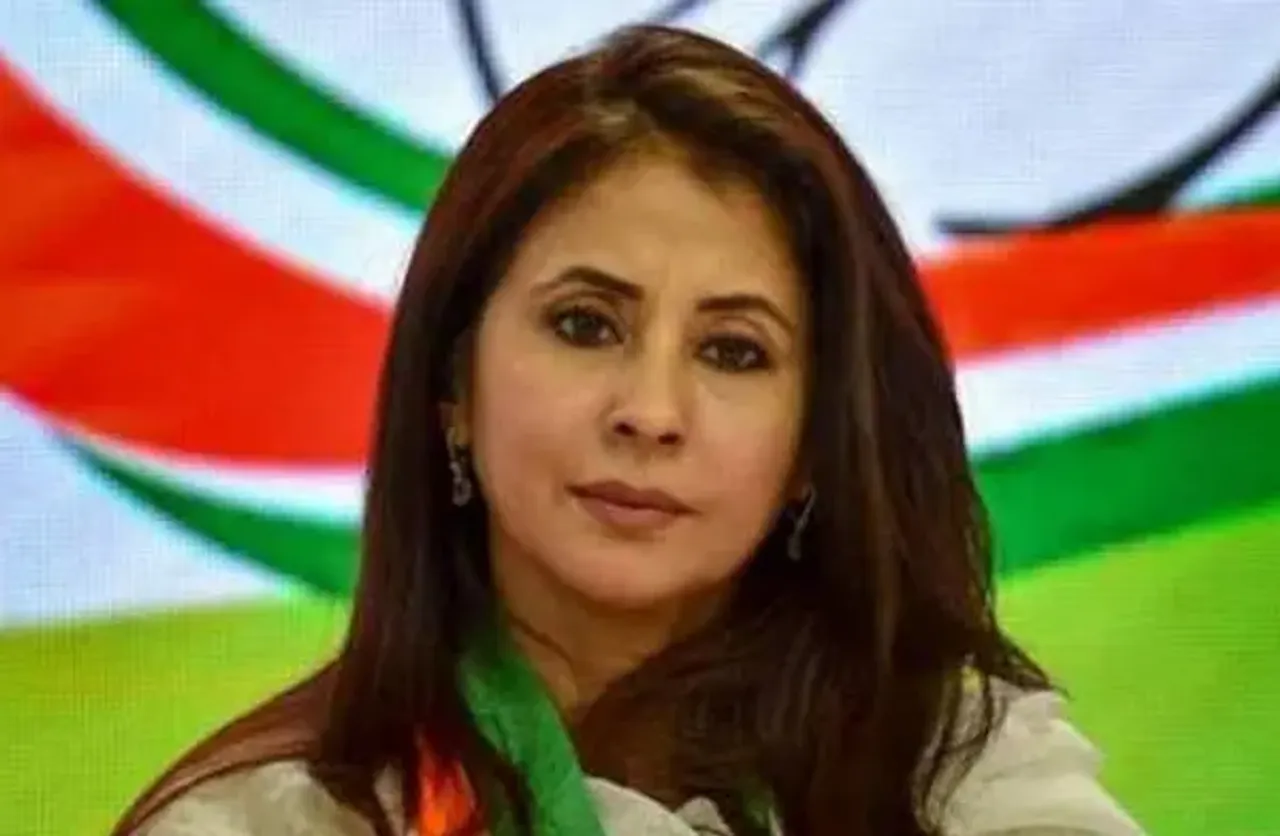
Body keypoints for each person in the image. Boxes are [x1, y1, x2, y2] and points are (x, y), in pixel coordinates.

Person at [111, 25, 1142, 836]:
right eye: (584, 325)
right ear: (453, 384)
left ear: (814, 445)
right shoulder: (275, 820)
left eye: (732, 350)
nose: (649, 411)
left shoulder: (960, 774)